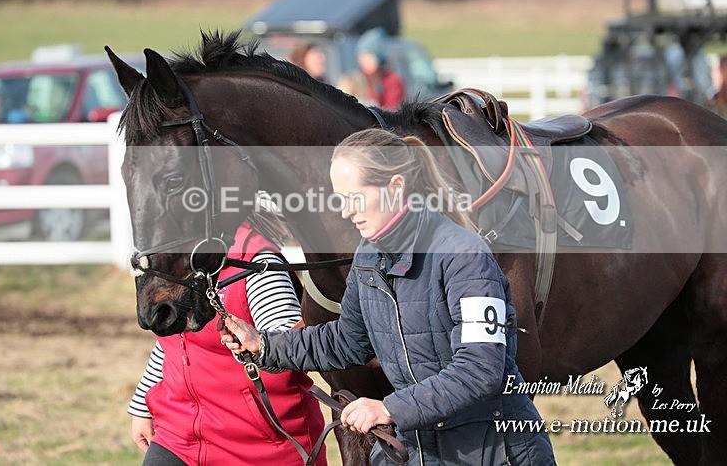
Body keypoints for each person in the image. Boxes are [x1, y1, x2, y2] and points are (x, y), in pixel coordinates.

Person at [219, 129, 556, 465]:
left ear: (396, 188)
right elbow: (347, 340)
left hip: (498, 452)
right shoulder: (368, 257)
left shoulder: (465, 255)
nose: (346, 212)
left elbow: (480, 370)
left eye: (355, 198)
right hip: (419, 450)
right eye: (340, 200)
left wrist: (388, 408)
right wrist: (263, 345)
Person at [127, 205, 327, 466]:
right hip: (179, 441)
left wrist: (254, 346)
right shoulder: (172, 252)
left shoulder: (254, 258)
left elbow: (290, 347)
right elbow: (170, 344)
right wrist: (142, 406)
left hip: (261, 448)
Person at [338, 27, 405, 110]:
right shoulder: (357, 79)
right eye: (361, 58)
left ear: (378, 59)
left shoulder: (391, 81)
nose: (363, 62)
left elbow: (392, 110)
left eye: (368, 58)